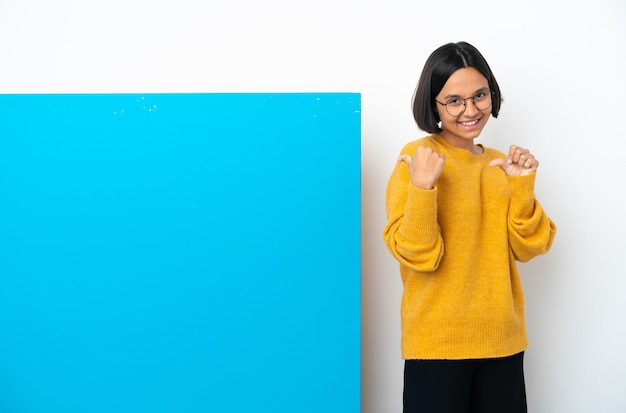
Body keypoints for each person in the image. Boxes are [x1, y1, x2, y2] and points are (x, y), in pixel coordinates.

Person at [382, 41, 557, 413]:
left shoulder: (500, 164)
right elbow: (418, 255)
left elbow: (531, 247)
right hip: (436, 345)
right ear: (434, 104)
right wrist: (423, 188)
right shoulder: (417, 160)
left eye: (480, 95)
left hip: (503, 342)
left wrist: (521, 185)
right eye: (454, 100)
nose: (471, 110)